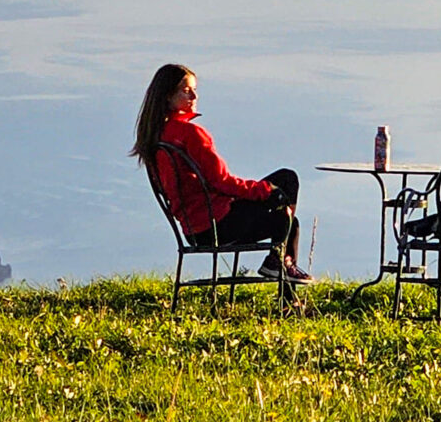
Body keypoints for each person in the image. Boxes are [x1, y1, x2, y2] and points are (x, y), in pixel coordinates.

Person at [133, 62, 312, 283]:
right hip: (218, 225)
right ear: (168, 96)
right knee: (287, 202)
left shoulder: (155, 137)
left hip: (192, 230)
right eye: (186, 90)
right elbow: (221, 181)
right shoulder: (191, 134)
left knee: (285, 207)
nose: (194, 95)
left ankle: (278, 262)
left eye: (194, 89)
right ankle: (279, 265)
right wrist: (265, 191)